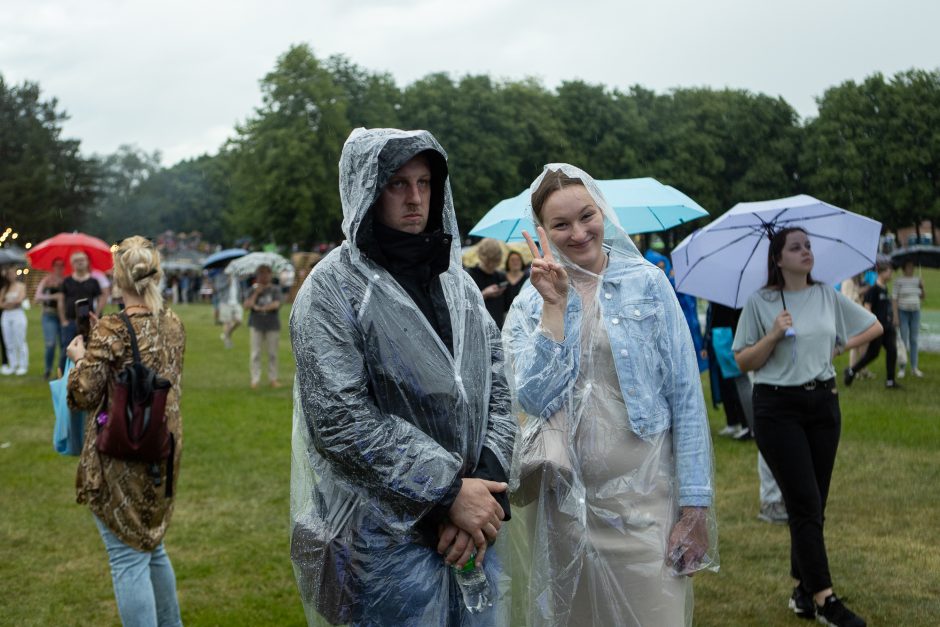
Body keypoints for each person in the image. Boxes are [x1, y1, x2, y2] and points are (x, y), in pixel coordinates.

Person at [289, 128, 517, 626]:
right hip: (385, 544)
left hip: (477, 525)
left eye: (424, 182)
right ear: (365, 190)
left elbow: (497, 388)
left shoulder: (456, 282)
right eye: (397, 183)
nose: (415, 198)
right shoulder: (333, 290)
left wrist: (487, 484)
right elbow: (340, 421)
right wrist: (447, 495)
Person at [504, 165, 717, 626]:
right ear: (542, 232)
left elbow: (685, 396)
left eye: (587, 216)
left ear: (602, 211)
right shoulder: (529, 301)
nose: (579, 233)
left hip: (646, 510)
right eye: (561, 224)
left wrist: (694, 508)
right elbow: (534, 398)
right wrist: (554, 308)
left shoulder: (649, 283)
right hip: (564, 511)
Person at [733, 227, 882, 626]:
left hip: (823, 405)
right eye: (795, 247)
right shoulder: (760, 302)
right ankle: (825, 600)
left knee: (815, 504)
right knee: (804, 503)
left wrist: (840, 346)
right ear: (778, 259)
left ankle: (802, 591)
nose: (805, 252)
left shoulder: (826, 295)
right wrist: (774, 335)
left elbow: (874, 327)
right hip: (777, 409)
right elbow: (744, 361)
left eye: (808, 246)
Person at [66, 236, 185, 627]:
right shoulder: (172, 322)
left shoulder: (113, 330)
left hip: (122, 453)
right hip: (163, 448)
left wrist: (82, 357)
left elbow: (83, 394)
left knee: (128, 557)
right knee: (152, 547)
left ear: (118, 280)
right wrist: (104, 341)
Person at [844, 261, 900, 388]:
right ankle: (852, 371)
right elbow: (867, 307)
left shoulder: (884, 288)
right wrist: (871, 325)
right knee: (872, 354)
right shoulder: (873, 289)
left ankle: (890, 381)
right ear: (881, 273)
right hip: (878, 328)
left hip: (887, 327)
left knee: (892, 350)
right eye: (889, 271)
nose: (891, 274)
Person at [59, 250, 105, 372]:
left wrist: (97, 314)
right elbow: (61, 301)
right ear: (71, 264)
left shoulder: (93, 281)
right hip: (70, 320)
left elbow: (101, 298)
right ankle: (63, 374)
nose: (79, 263)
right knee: (66, 348)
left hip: (88, 322)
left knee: (90, 347)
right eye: (76, 261)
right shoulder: (67, 281)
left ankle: (87, 371)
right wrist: (63, 319)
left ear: (87, 262)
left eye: (82, 260)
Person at [244, 264, 281, 389]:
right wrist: (256, 294)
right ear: (257, 275)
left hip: (272, 324)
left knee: (272, 354)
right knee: (255, 354)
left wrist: (260, 308)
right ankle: (255, 379)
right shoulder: (252, 289)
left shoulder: (275, 289)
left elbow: (276, 304)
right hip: (256, 324)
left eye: (266, 273)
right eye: (261, 273)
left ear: (270, 275)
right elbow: (247, 306)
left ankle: (273, 379)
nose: (264, 276)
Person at [34, 258, 66, 379]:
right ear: (53, 267)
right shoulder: (47, 280)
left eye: (61, 265)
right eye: (57, 265)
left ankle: (61, 371)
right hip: (49, 315)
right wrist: (54, 296)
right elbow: (37, 297)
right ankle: (48, 370)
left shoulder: (66, 281)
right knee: (50, 343)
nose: (59, 268)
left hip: (63, 316)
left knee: (64, 344)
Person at [893, 260, 925, 378]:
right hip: (903, 312)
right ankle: (902, 367)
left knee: (914, 340)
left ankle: (914, 367)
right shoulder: (899, 281)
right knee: (903, 339)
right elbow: (894, 298)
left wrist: (922, 287)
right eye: (908, 266)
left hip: (915, 311)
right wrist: (895, 316)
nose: (911, 269)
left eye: (912, 266)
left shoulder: (917, 280)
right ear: (904, 268)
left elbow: (922, 296)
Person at [467, 238, 509, 328]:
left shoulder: (500, 276)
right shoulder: (470, 275)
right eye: (488, 262)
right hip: (477, 328)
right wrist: (484, 294)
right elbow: (466, 305)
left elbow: (506, 306)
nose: (491, 265)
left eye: (495, 262)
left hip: (498, 326)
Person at [0, 266, 29, 376]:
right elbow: (1, 304)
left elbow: (19, 300)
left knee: (19, 340)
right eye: (9, 274)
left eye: (12, 273)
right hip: (6, 316)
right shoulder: (4, 288)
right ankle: (12, 364)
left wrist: (8, 303)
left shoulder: (21, 286)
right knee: (8, 341)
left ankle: (23, 365)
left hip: (18, 314)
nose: (11, 276)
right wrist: (9, 304)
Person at [218, 272, 243, 349]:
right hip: (225, 302)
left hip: (236, 302)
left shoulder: (236, 276)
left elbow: (238, 289)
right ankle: (227, 341)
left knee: (239, 321)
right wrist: (227, 282)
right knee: (227, 322)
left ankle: (225, 335)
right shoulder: (221, 276)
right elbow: (218, 287)